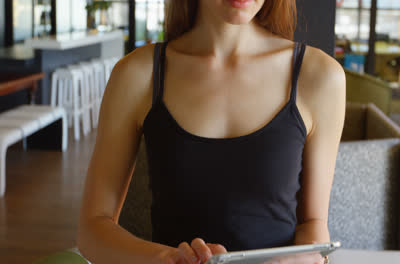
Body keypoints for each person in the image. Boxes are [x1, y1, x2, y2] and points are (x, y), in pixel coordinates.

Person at [77, 0, 346, 264]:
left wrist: (301, 259)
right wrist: (167, 259)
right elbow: (92, 230)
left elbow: (313, 223)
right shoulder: (138, 74)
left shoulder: (319, 76)